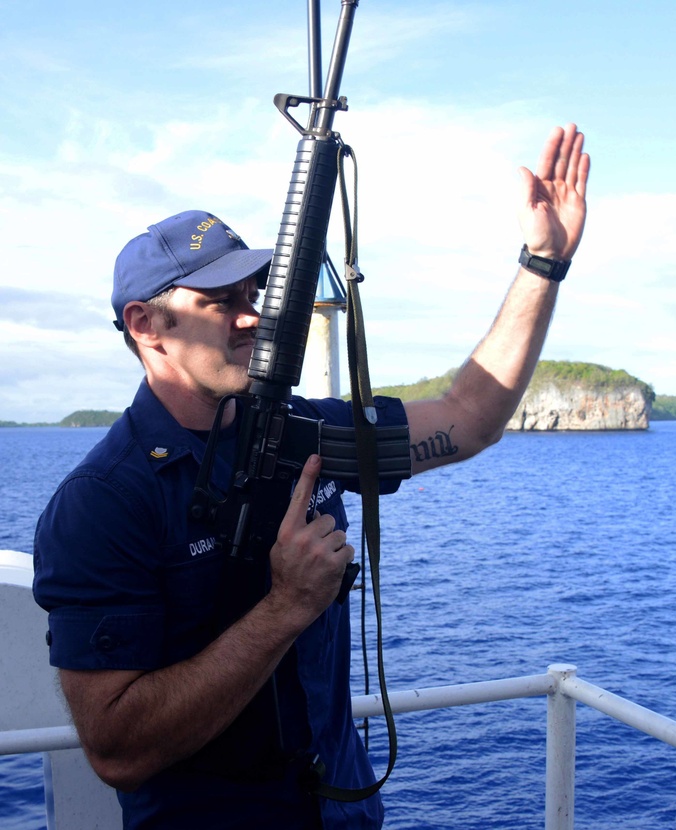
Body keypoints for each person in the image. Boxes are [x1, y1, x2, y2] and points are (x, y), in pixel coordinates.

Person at [32, 124, 589, 829]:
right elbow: (118, 750)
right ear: (147, 325)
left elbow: (469, 418)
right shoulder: (103, 503)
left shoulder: (301, 432)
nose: (252, 315)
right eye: (219, 301)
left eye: (253, 291)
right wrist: (287, 606)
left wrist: (543, 262)